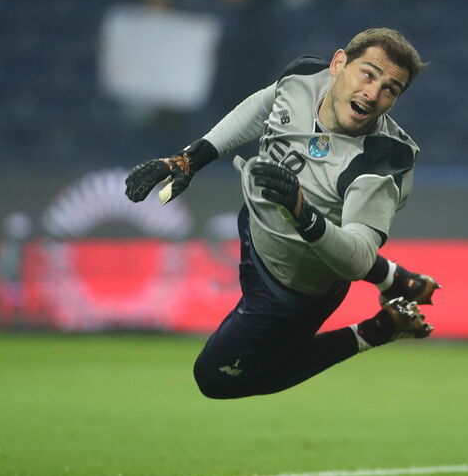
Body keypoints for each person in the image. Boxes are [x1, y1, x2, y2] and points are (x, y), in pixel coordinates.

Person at [124, 28, 440, 399]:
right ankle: (396, 279)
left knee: (215, 379)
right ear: (338, 63)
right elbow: (263, 105)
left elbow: (356, 259)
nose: (373, 94)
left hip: (289, 290)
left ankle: (379, 329)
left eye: (390, 88)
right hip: (257, 223)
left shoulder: (382, 164)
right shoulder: (304, 76)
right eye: (368, 73)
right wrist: (190, 159)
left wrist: (302, 212)